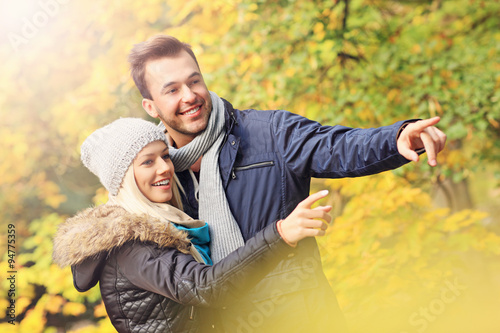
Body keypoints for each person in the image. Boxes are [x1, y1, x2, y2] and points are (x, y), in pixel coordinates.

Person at [127, 35, 446, 332]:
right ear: (151, 106)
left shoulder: (269, 133)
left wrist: (397, 137)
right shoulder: (155, 176)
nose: (190, 96)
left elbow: (338, 146)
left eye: (194, 81)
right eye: (172, 90)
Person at [52, 118, 334, 333]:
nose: (164, 168)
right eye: (147, 162)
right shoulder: (132, 247)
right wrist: (280, 234)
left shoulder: (170, 223)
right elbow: (205, 287)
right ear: (124, 179)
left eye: (164, 156)